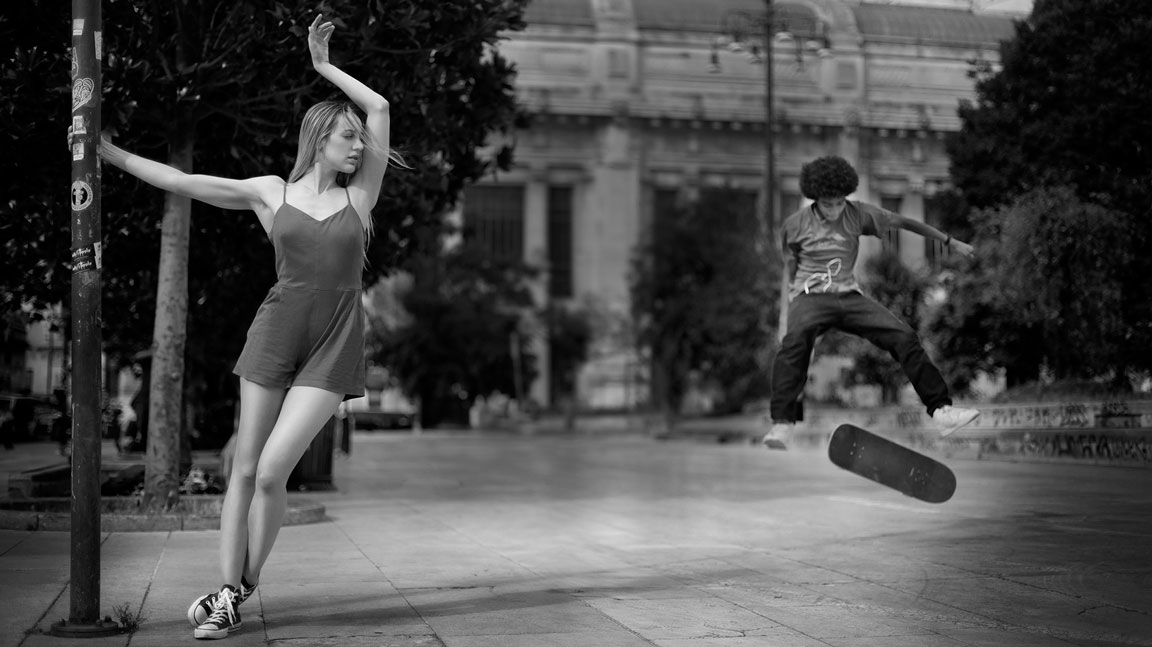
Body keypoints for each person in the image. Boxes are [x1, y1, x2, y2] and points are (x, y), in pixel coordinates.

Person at [88, 15, 396, 640]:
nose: (359, 147)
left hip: (333, 346)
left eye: (360, 140)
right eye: (347, 138)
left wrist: (323, 66)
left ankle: (242, 584)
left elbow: (382, 105)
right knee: (245, 470)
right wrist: (108, 153)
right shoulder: (270, 192)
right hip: (274, 332)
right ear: (319, 139)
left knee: (276, 470)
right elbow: (181, 181)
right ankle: (232, 590)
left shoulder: (359, 198)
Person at [763, 155, 980, 450]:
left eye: (840, 202)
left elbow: (905, 222)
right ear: (815, 199)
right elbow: (788, 270)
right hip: (809, 297)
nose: (835, 210)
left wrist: (950, 242)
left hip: (848, 296)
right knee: (794, 344)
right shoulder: (794, 226)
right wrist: (785, 318)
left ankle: (941, 410)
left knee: (903, 336)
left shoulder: (859, 214)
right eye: (828, 204)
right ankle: (782, 423)